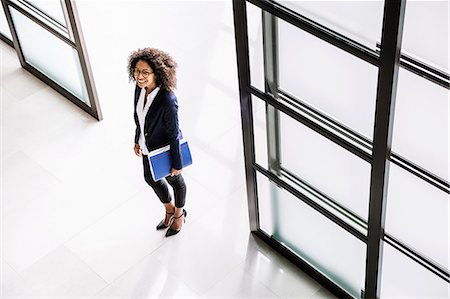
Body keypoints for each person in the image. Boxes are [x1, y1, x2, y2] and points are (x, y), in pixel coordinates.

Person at [127, 48, 187, 237]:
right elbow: (140, 117)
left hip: (165, 150)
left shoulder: (167, 100)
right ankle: (169, 208)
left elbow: (173, 134)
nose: (139, 76)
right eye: (137, 71)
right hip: (147, 146)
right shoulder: (139, 89)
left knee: (175, 181)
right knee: (150, 178)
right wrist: (138, 139)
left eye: (145, 72)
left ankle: (178, 215)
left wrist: (177, 164)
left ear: (157, 73)